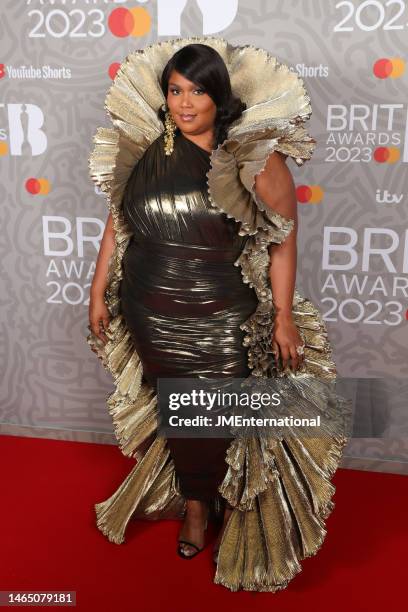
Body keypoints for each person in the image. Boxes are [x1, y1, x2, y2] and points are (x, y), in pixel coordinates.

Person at [87, 37, 350, 593]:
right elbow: (118, 223)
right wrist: (96, 291)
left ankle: (218, 506)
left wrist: (281, 316)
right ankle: (197, 508)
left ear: (219, 96)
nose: (185, 103)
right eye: (175, 90)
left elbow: (282, 241)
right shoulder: (145, 148)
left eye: (198, 91)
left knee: (213, 417)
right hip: (150, 311)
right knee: (177, 414)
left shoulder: (253, 156)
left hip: (221, 314)